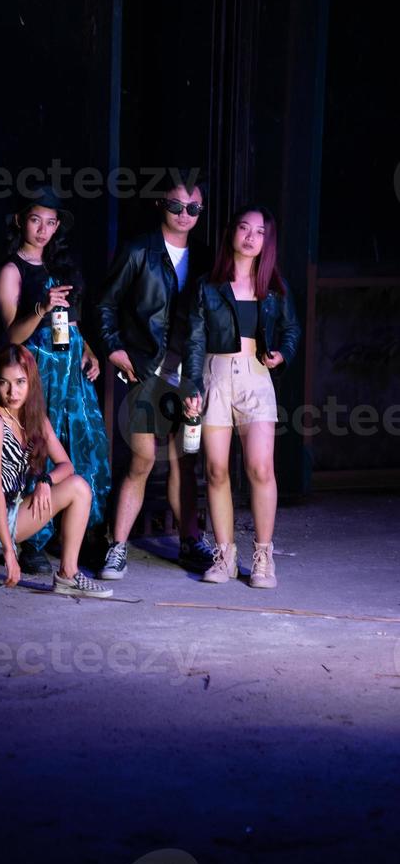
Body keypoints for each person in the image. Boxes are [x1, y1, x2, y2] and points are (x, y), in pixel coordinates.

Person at [95, 169, 214, 580]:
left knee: (185, 461)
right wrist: (114, 348)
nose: (185, 214)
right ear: (161, 204)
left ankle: (189, 542)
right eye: (178, 205)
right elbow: (104, 304)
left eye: (193, 208)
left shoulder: (207, 257)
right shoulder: (138, 251)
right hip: (148, 369)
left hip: (192, 373)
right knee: (143, 459)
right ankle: (117, 546)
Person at [0, 344, 112, 600]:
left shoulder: (35, 418)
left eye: (20, 382)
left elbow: (66, 465)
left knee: (79, 487)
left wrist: (45, 481)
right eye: (5, 383)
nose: (13, 392)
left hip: (11, 513)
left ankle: (68, 575)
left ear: (31, 382)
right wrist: (10, 555)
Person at [182, 205, 301, 588]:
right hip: (215, 376)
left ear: (267, 241)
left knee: (260, 468)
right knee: (215, 470)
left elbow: (291, 331)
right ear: (231, 233)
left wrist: (282, 352)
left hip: (256, 377)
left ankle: (263, 557)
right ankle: (224, 555)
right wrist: (192, 387)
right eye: (244, 229)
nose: (251, 237)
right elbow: (195, 340)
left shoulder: (275, 288)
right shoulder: (207, 286)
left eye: (260, 232)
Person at [0, 185, 110, 574]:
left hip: (70, 375)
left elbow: (73, 324)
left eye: (50, 222)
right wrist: (41, 307)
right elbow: (12, 335)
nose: (42, 229)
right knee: (38, 450)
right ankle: (30, 540)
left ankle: (84, 535)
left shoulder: (62, 266)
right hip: (37, 373)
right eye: (35, 220)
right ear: (20, 221)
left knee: (85, 447)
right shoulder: (12, 270)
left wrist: (90, 352)